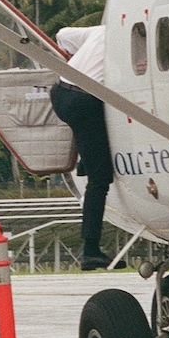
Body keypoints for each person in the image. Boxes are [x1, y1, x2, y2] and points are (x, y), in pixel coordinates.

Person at [50, 24, 120, 271]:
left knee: (93, 141)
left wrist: (76, 59)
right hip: (84, 100)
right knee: (100, 179)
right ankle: (91, 250)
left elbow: (62, 35)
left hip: (60, 91)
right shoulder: (130, 34)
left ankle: (85, 162)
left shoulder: (101, 30)